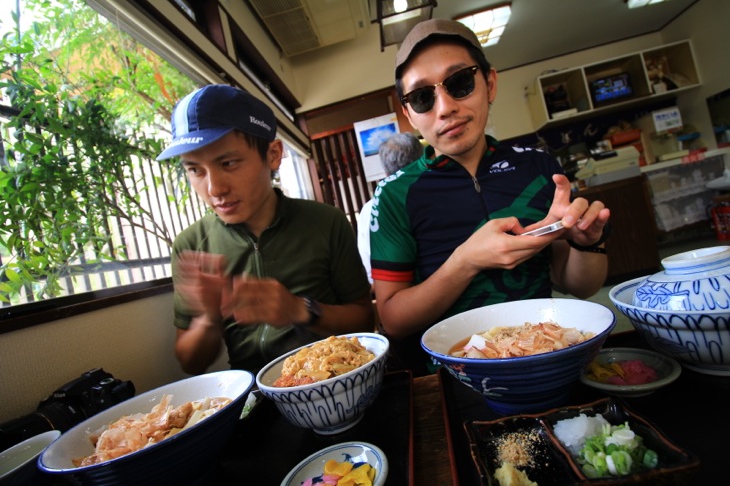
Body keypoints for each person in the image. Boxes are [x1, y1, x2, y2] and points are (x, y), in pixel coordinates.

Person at [370, 19, 611, 376]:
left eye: (460, 83)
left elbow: (578, 284)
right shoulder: (394, 195)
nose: (445, 107)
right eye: (423, 97)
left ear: (490, 83)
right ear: (409, 113)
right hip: (456, 374)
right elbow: (392, 320)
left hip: (546, 355)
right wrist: (465, 261)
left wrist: (586, 242)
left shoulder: (538, 167)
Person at [156, 84, 374, 375]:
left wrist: (301, 310)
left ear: (272, 155)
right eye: (195, 169)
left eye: (228, 162)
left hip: (332, 377)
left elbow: (365, 320)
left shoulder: (326, 221)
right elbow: (190, 362)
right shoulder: (192, 244)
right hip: (251, 394)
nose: (214, 189)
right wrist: (207, 320)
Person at [357, 132, 423, 285]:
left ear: (386, 171)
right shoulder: (441, 193)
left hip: (393, 294)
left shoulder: (370, 209)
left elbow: (369, 269)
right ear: (423, 161)